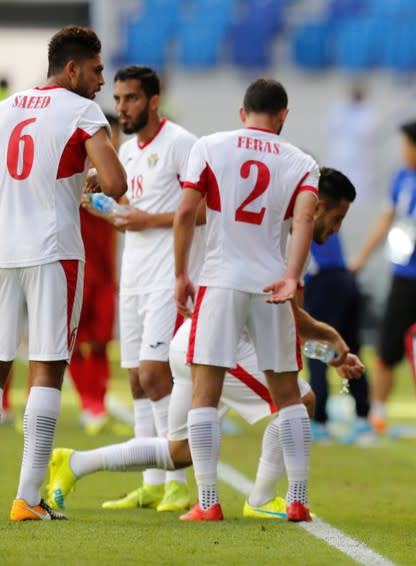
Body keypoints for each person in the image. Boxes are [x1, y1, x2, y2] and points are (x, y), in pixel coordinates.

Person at [47, 167, 365, 519]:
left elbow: (285, 319)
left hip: (192, 340)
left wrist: (329, 346)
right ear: (316, 207)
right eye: (337, 218)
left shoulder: (281, 235)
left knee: (180, 451)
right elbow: (286, 319)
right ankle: (260, 500)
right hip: (221, 347)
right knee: (300, 401)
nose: (336, 230)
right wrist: (331, 338)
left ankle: (74, 463)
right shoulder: (282, 239)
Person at [173, 77, 320, 522]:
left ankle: (208, 502)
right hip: (271, 283)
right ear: (282, 116)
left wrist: (181, 273)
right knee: (288, 395)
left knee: (205, 391)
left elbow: (184, 212)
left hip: (220, 280)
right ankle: (296, 498)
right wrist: (292, 277)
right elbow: (305, 219)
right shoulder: (301, 161)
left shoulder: (210, 146)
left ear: (242, 112)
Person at [1, 25, 127, 521]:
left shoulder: (6, 108)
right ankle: (28, 498)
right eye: (96, 70)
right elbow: (115, 183)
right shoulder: (81, 110)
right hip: (53, 251)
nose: (102, 79)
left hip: (3, 249)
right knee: (48, 366)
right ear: (72, 68)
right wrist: (96, 173)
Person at [87, 65, 199, 513]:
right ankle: (152, 483)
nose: (121, 108)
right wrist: (99, 206)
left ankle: (180, 481)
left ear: (154, 101)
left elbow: (207, 211)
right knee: (135, 380)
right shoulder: (126, 151)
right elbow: (128, 216)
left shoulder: (183, 144)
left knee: (155, 375)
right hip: (131, 277)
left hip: (166, 280)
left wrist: (147, 220)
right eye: (117, 100)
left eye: (130, 99)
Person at [349, 119, 416, 434]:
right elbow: (386, 219)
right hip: (404, 275)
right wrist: (361, 258)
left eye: (406, 146)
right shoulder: (401, 177)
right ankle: (377, 415)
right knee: (387, 348)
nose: (403, 153)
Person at [68, 112, 122, 434]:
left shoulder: (119, 178)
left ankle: (96, 403)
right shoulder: (76, 177)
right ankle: (90, 402)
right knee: (71, 342)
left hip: (105, 275)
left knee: (101, 342)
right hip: (75, 270)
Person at [305, 234, 374, 445]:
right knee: (350, 351)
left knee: (317, 352)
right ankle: (363, 419)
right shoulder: (320, 212)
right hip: (345, 280)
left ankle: (319, 423)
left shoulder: (300, 213)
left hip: (320, 283)